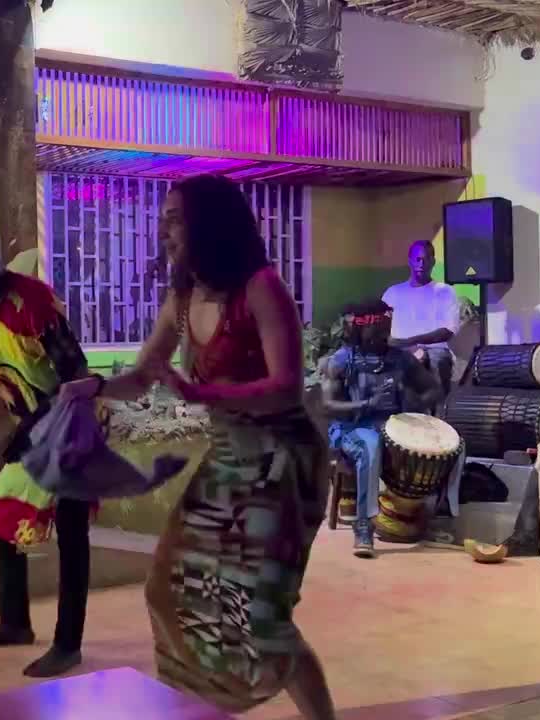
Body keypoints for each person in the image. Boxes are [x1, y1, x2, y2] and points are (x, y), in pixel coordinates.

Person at [60, 175, 336, 718]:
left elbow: (286, 386)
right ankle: (197, 705)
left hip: (283, 462)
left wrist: (203, 393)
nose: (164, 231)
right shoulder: (183, 299)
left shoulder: (261, 288)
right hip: (229, 458)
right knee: (168, 589)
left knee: (260, 616)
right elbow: (144, 376)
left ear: (209, 225)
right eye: (163, 220)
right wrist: (95, 386)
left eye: (175, 219)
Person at [0, 220, 96, 679]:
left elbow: (76, 376)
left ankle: (68, 644)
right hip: (32, 433)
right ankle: (15, 623)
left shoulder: (34, 302)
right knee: (2, 519)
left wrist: (26, 429)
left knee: (71, 533)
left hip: (72, 429)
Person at [320, 299, 442, 558]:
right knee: (370, 445)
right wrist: (366, 404)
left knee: (448, 447)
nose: (384, 334)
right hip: (351, 429)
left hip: (393, 426)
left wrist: (416, 403)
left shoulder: (401, 359)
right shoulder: (342, 360)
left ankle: (433, 517)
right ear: (361, 329)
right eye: (378, 329)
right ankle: (363, 526)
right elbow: (328, 406)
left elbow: (434, 389)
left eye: (386, 328)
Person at [382, 240, 461, 408]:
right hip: (399, 349)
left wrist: (412, 342)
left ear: (433, 262)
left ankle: (439, 415)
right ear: (409, 261)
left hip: (434, 349)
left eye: (426, 259)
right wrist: (405, 347)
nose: (421, 263)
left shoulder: (445, 291)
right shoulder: (393, 293)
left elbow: (448, 331)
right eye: (417, 259)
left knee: (437, 360)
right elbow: (381, 327)